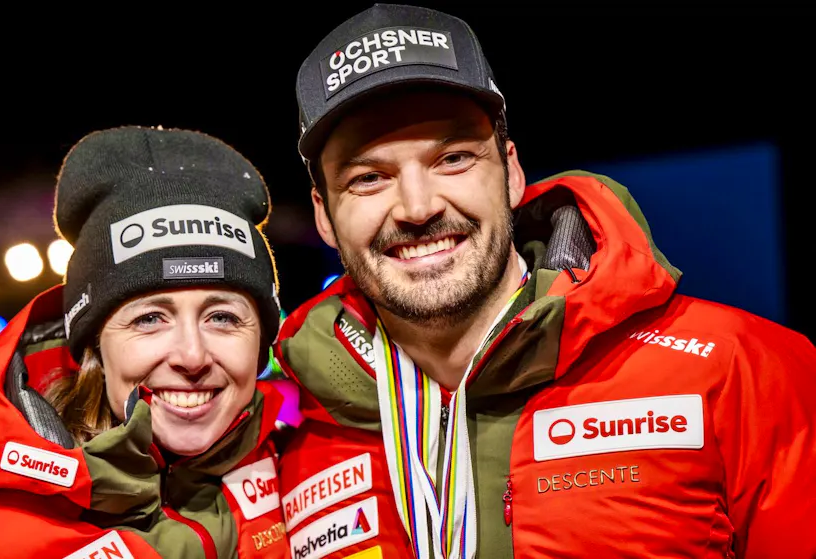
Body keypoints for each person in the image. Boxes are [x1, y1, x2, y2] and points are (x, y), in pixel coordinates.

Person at [272, 4, 816, 559]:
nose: (417, 207)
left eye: (454, 158)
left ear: (510, 173)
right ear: (323, 215)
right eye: (368, 178)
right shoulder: (294, 454)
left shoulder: (741, 371)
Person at [0, 125, 292, 558]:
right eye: (149, 319)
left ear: (261, 340)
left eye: (222, 317)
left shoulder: (302, 482)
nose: (192, 355)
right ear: (95, 347)